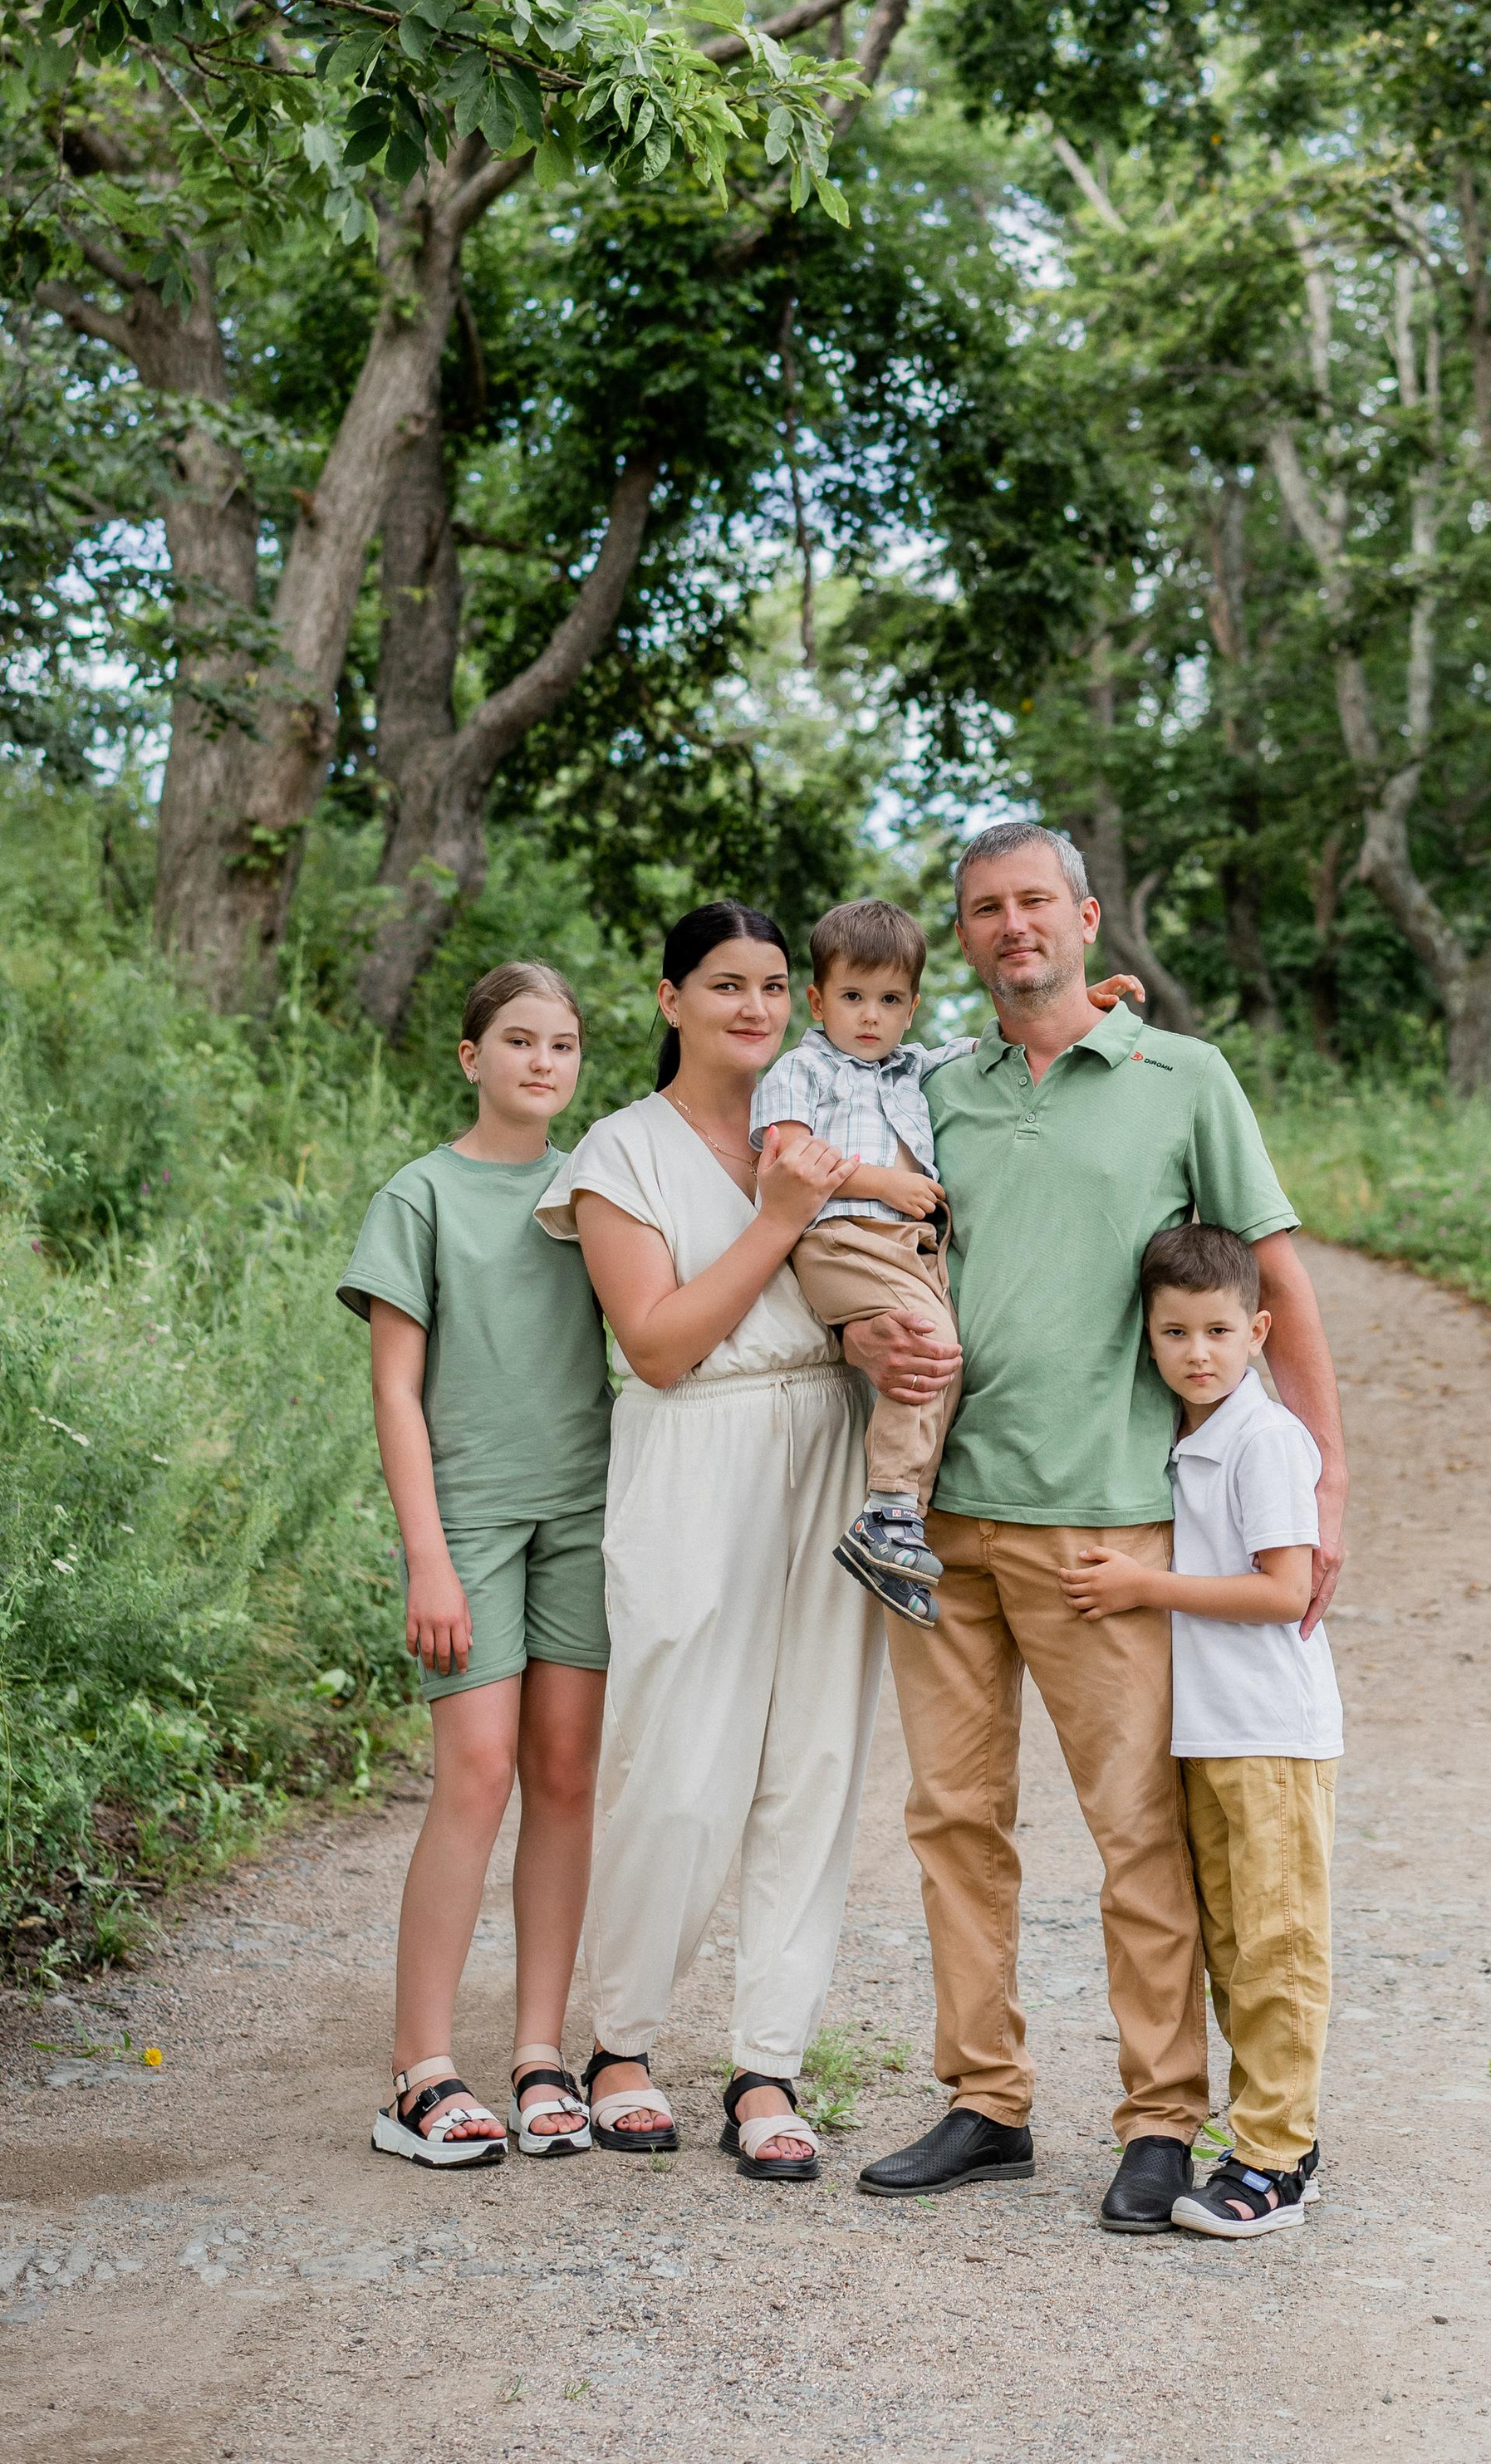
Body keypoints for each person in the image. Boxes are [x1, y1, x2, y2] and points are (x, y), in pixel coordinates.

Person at [849, 821, 1347, 2235]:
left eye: (1034, 903)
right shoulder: (931, 1096)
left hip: (1111, 1533)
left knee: (1137, 1834)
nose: (1014, 927)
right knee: (954, 1822)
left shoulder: (1184, 1078)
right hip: (941, 1520)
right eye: (985, 910)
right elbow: (864, 1250)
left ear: (1086, 915)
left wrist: (1325, 1483)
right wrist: (867, 1352)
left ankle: (1157, 2118)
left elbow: (1281, 1289)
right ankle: (986, 2101)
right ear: (964, 938)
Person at [536, 900, 878, 2178]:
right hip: (697, 1449)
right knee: (679, 1757)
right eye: (725, 983)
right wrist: (782, 1215)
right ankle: (620, 2043)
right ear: (669, 997)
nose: (755, 1006)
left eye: (776, 985)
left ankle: (767, 2065)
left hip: (832, 1437)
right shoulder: (621, 1153)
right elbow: (663, 1347)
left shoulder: (835, 1117)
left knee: (818, 1757)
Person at [339, 962, 612, 2168]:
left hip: (588, 1512)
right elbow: (396, 1391)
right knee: (479, 1772)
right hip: (474, 1523)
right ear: (471, 1057)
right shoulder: (421, 1197)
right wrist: (426, 1559)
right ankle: (421, 2071)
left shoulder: (595, 1187)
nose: (541, 1062)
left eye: (561, 1044)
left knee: (564, 1773)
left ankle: (541, 2054)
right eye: (517, 1040)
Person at [754, 897, 1145, 1631]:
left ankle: (900, 1515)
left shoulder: (912, 1067)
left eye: (890, 1000)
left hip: (906, 1250)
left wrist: (1079, 1004)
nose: (870, 1016)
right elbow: (786, 1161)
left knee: (937, 1359)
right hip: (841, 1238)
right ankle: (888, 1515)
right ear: (818, 999)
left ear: (911, 1009)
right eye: (852, 997)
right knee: (932, 1349)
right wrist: (885, 1184)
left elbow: (988, 1045)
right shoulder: (800, 1072)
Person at [1062, 1223, 1341, 2237]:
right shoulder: (1186, 1435)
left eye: (1220, 1331)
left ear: (1259, 1331)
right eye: (1174, 1332)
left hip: (1269, 1734)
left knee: (1276, 1947)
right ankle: (1275, 2136)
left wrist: (1142, 1587)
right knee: (1230, 1946)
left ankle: (1274, 2164)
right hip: (1211, 1732)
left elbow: (1285, 1591)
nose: (1197, 1353)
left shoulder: (1262, 1439)